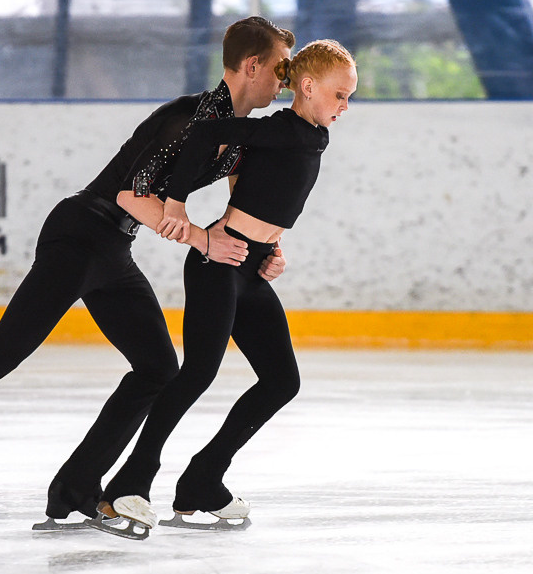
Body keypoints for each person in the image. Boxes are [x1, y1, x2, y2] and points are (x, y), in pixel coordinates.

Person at [0, 16, 296, 526]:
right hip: (81, 233)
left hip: (114, 248)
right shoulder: (187, 117)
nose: (286, 80)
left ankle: (75, 488)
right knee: (3, 351)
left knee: (157, 368)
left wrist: (264, 248)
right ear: (251, 65)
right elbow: (131, 193)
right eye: (280, 68)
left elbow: (246, 197)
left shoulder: (235, 135)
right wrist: (199, 237)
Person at [98, 39, 358, 532]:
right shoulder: (280, 128)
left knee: (282, 382)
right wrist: (176, 204)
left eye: (349, 98)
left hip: (251, 267)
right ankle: (129, 483)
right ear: (306, 87)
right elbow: (202, 136)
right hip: (218, 263)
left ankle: (202, 480)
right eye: (340, 95)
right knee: (196, 374)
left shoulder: (312, 135)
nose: (345, 107)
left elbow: (266, 190)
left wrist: (273, 247)